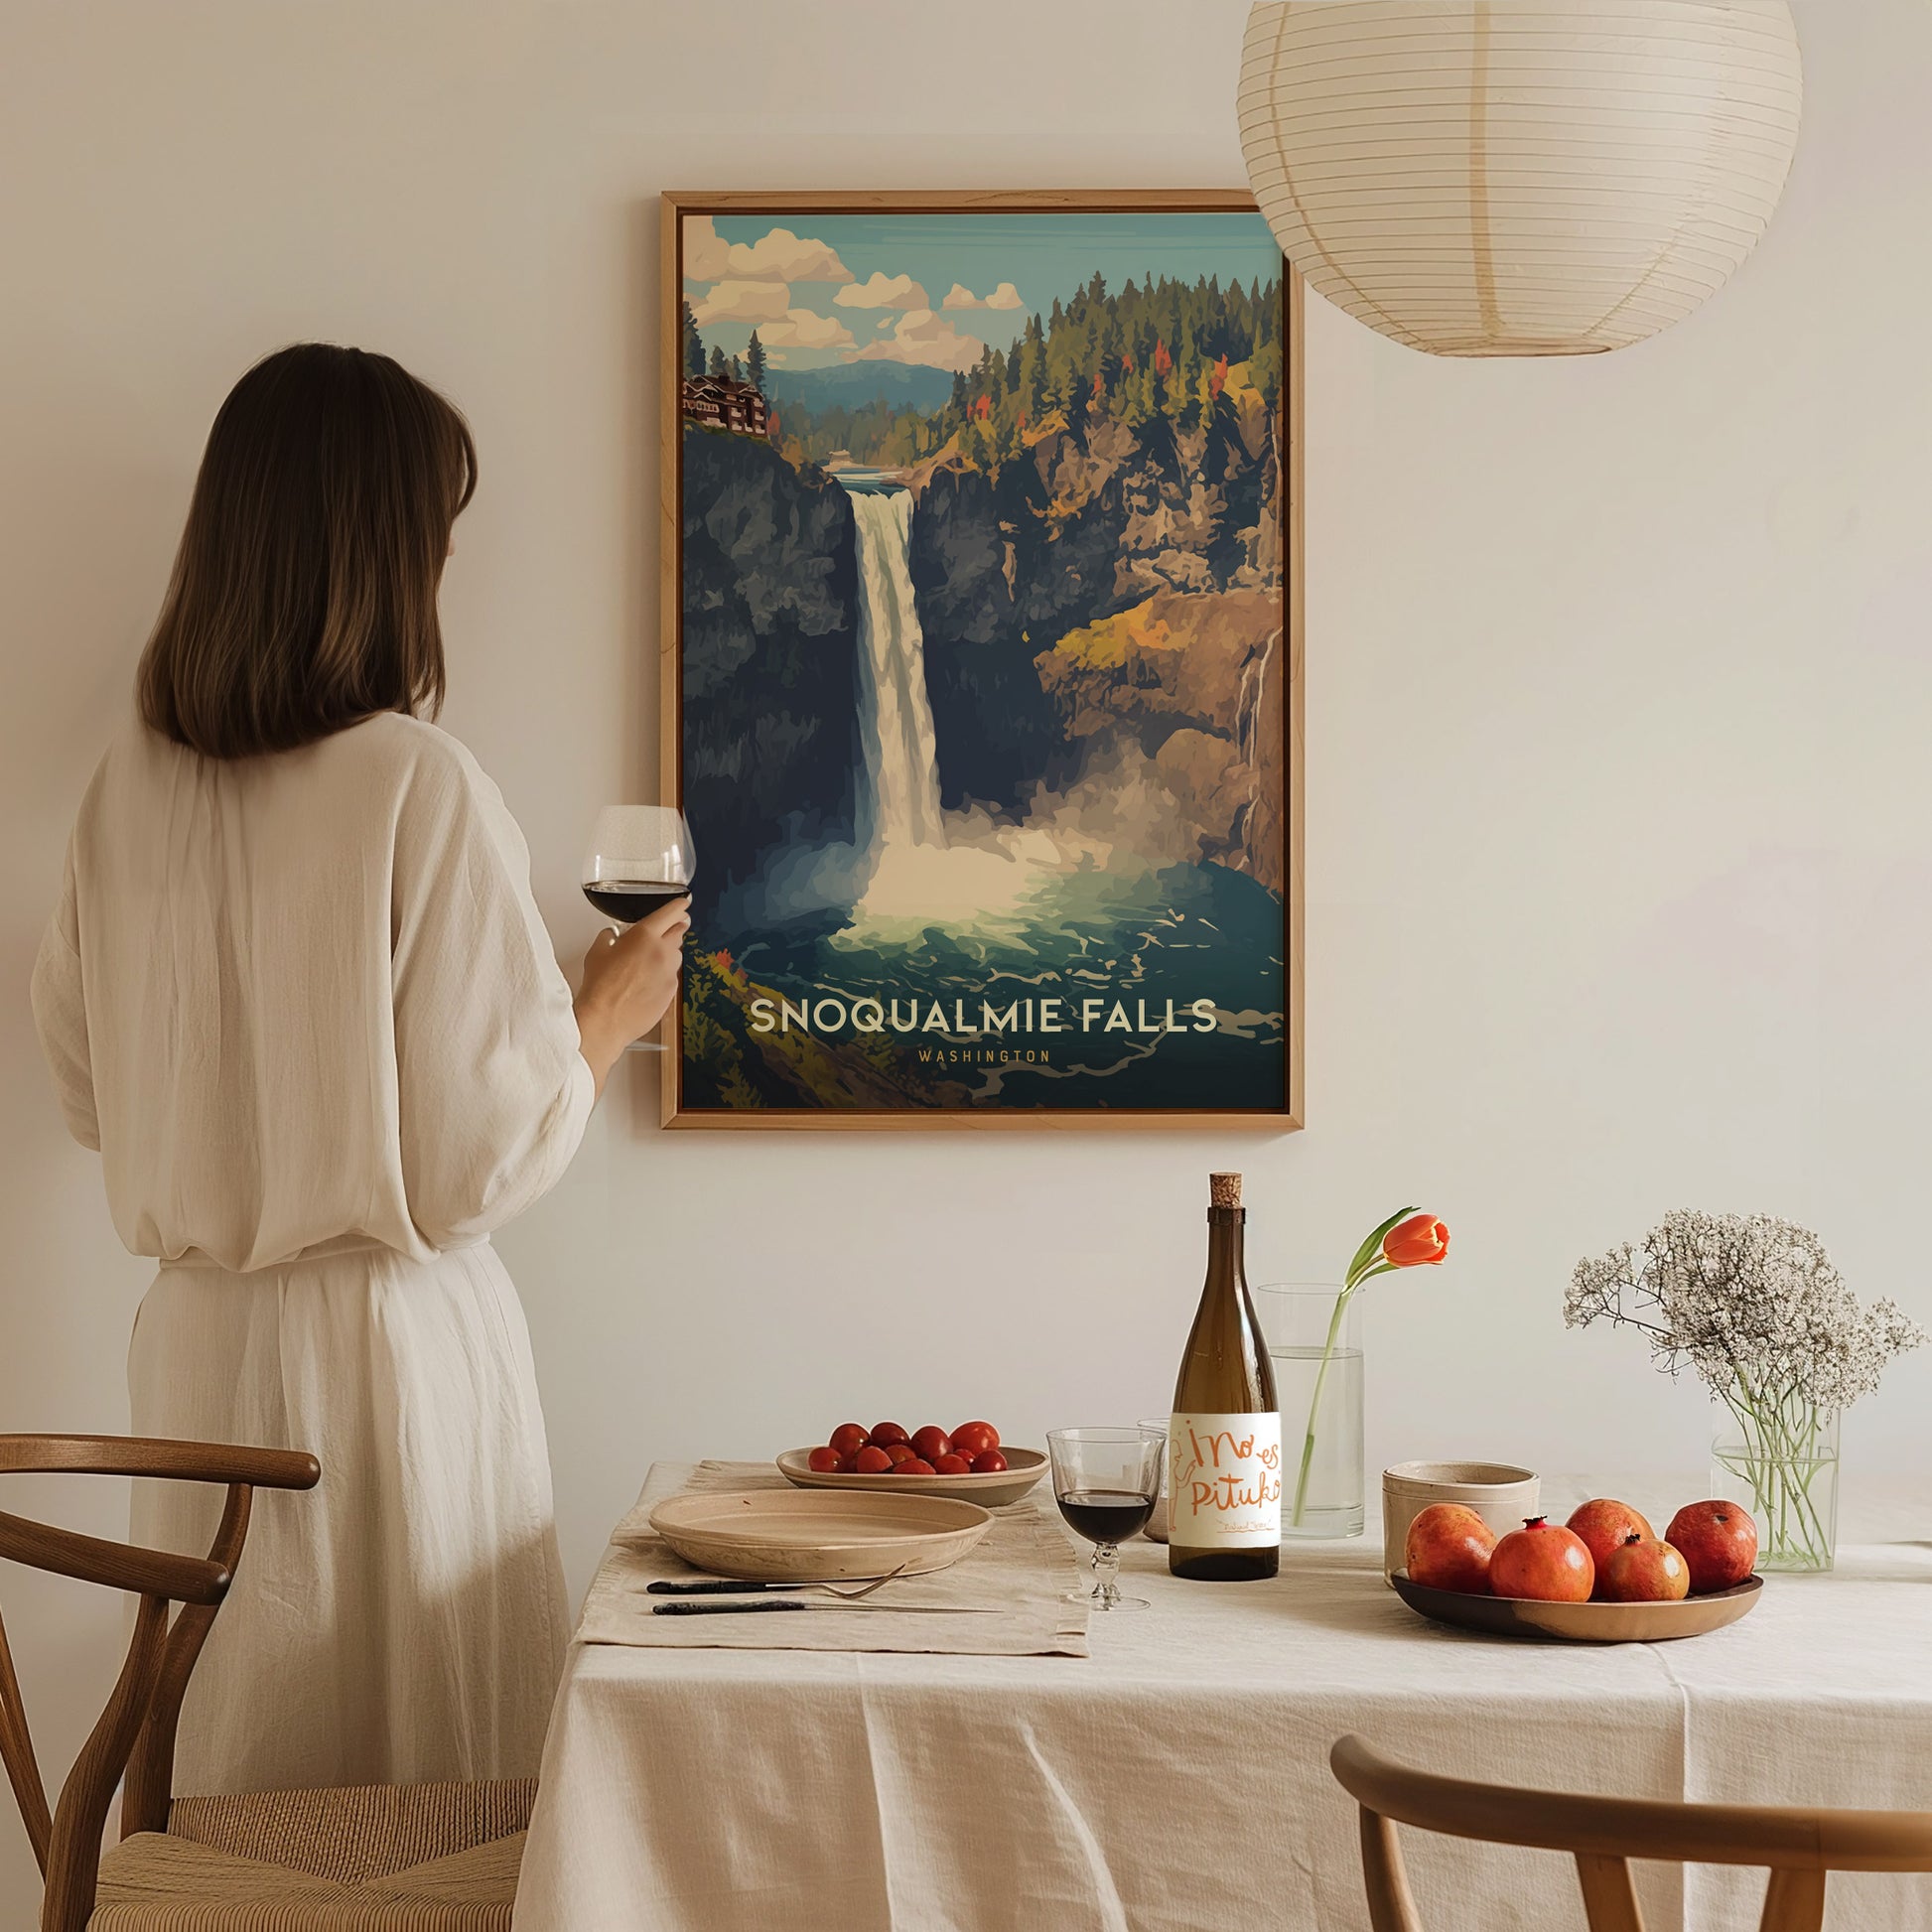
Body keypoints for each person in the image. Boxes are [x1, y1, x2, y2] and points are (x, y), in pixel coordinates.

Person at [29, 343, 685, 1793]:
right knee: (424, 1794)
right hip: (388, 1362)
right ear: (384, 550)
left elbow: (86, 1092)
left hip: (196, 1354)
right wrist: (601, 1016)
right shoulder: (415, 780)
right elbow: (470, 1166)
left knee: (237, 1774)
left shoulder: (124, 791)